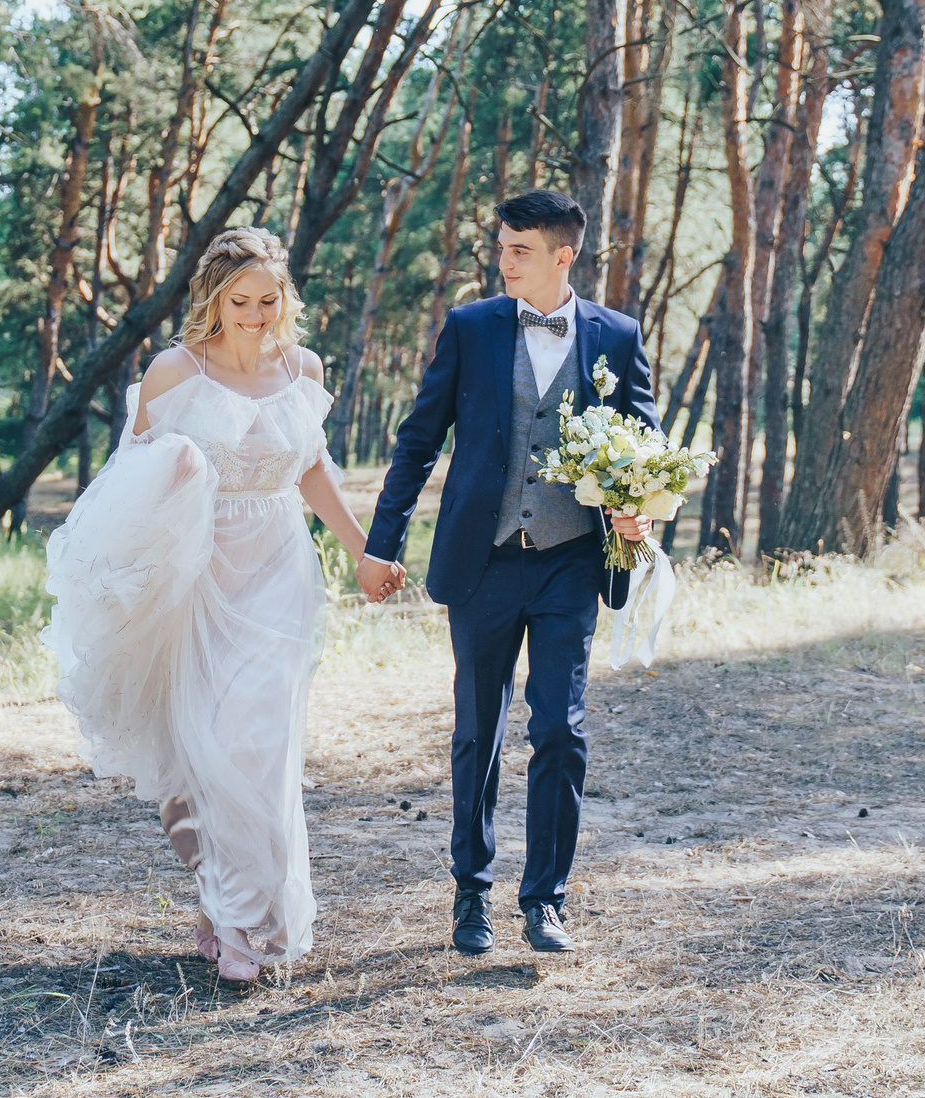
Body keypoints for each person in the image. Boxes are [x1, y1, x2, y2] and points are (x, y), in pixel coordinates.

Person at [43, 228, 397, 982]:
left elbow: (312, 468)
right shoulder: (176, 371)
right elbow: (130, 478)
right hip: (197, 571)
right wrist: (176, 467)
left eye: (269, 300)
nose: (257, 315)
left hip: (278, 569)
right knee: (205, 746)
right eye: (241, 302)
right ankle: (224, 902)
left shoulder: (302, 367)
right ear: (213, 298)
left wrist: (363, 552)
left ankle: (243, 926)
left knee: (259, 744)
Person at [361, 190, 662, 956]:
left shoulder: (617, 336)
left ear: (564, 256)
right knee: (478, 731)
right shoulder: (471, 328)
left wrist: (640, 511)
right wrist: (382, 541)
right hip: (485, 559)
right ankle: (472, 891)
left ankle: (546, 900)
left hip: (571, 562)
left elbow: (647, 446)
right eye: (501, 247)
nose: (504, 261)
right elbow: (418, 441)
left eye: (519, 250)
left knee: (560, 728)